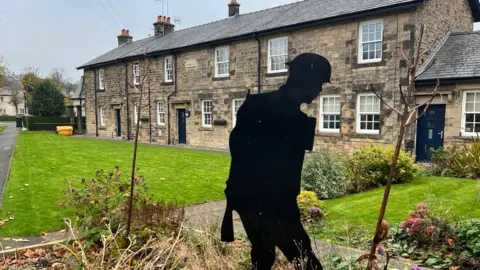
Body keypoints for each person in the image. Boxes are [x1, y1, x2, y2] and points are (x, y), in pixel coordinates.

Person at [220, 53, 332, 270]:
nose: (319, 90)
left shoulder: (296, 119)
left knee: (264, 256)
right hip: (263, 201)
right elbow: (240, 150)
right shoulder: (260, 106)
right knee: (303, 259)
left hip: (271, 199)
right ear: (303, 81)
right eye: (318, 83)